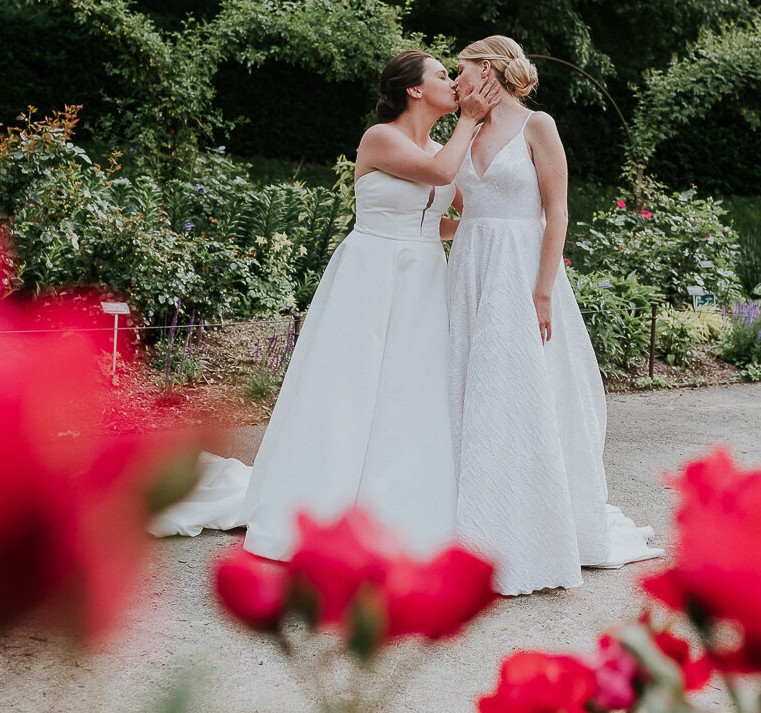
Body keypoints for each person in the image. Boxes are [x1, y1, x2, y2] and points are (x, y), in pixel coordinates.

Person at [150, 50, 500, 558]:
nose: (452, 82)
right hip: (369, 272)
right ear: (414, 90)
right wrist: (471, 120)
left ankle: (395, 501)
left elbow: (450, 216)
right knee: (347, 385)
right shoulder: (381, 137)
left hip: (423, 276)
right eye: (442, 75)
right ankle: (320, 497)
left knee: (410, 387)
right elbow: (443, 176)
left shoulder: (445, 144)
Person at [445, 35, 662, 595]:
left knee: (517, 390)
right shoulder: (463, 127)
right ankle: (469, 526)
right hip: (470, 269)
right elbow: (465, 211)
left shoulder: (538, 125)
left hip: (521, 271)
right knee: (468, 388)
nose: (455, 79)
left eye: (462, 70)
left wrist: (542, 291)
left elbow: (558, 209)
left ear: (489, 70)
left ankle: (529, 530)